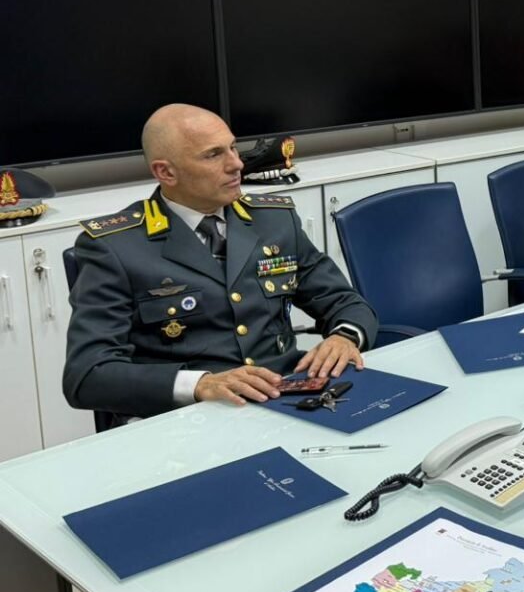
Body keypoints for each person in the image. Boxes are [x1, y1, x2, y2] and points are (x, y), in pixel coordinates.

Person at [63, 105, 377, 419]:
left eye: (233, 147)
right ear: (166, 172)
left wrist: (344, 337)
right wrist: (200, 384)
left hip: (289, 398)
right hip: (188, 419)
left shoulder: (274, 221)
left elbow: (343, 301)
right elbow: (87, 375)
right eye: (213, 155)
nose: (237, 164)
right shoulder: (114, 247)